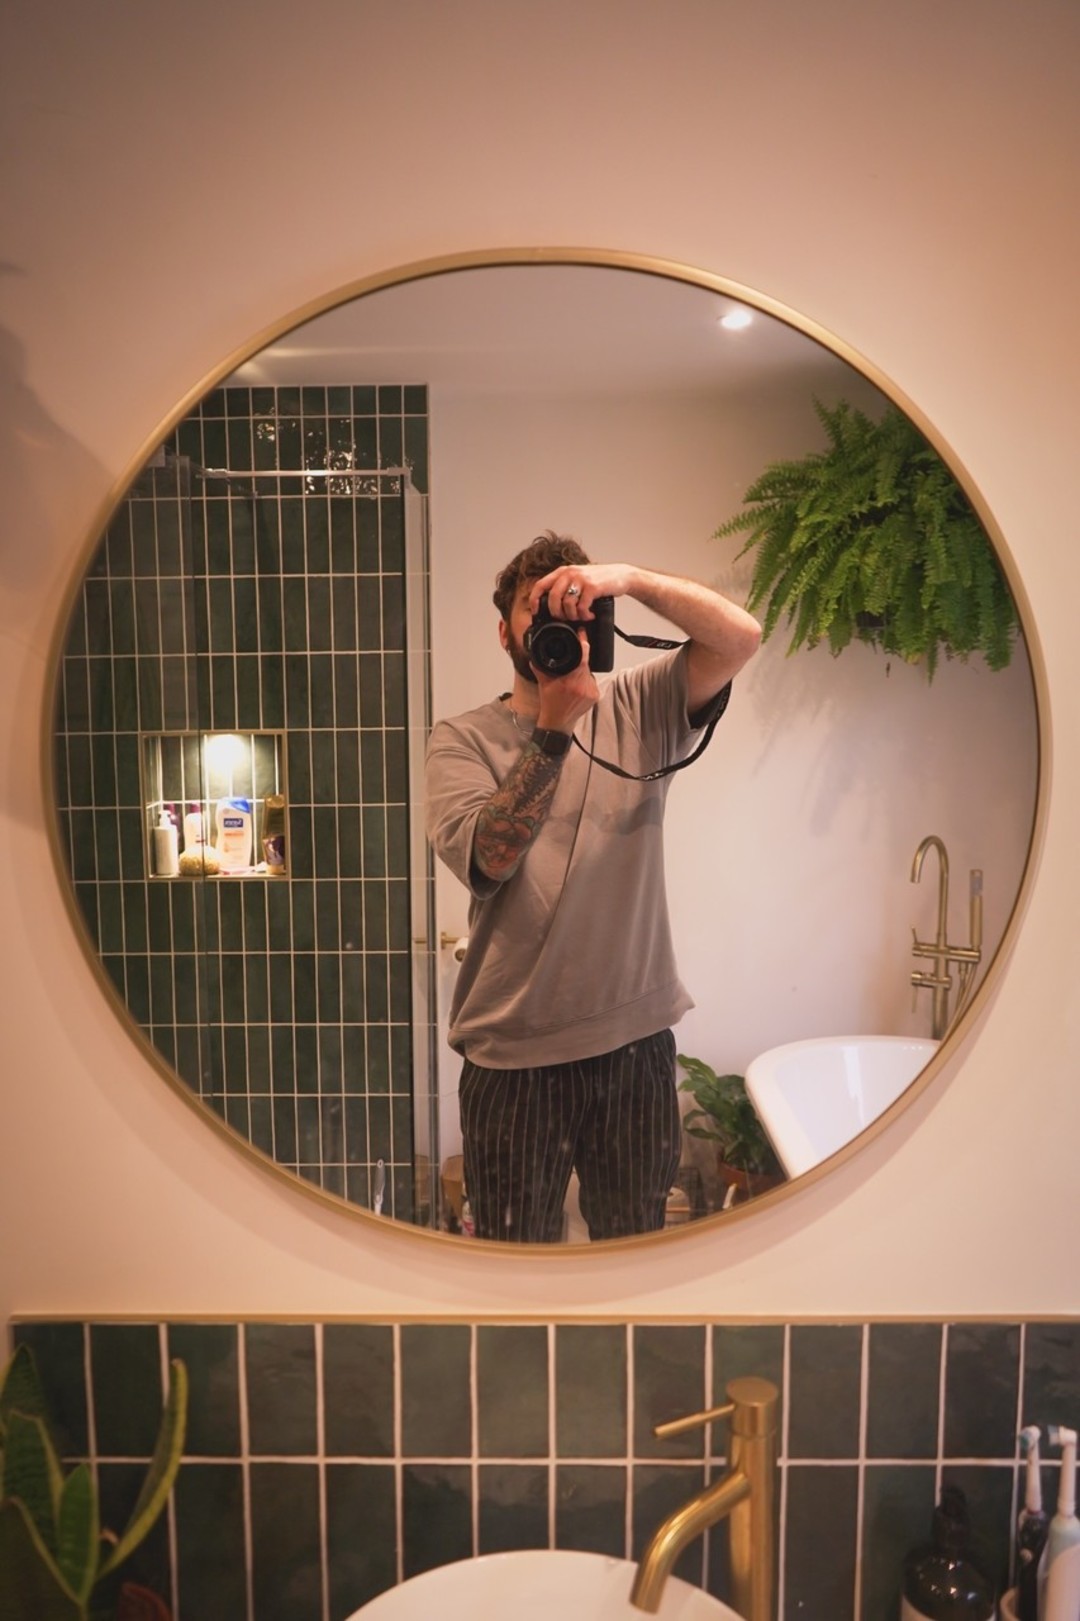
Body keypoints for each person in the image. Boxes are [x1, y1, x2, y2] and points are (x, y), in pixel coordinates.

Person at [425, 532, 761, 1243]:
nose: (555, 620)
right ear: (505, 632)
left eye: (572, 604)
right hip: (513, 1054)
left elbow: (740, 637)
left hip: (633, 1042)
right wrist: (553, 729)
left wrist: (630, 578)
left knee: (635, 1251)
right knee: (513, 1261)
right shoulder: (459, 739)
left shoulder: (638, 701)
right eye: (535, 607)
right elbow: (488, 859)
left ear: (597, 622)